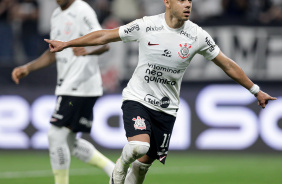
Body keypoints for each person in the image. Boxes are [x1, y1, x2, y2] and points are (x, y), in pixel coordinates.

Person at [44, 0, 277, 183]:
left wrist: (255, 90)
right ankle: (119, 168)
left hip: (166, 109)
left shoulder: (197, 35)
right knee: (138, 146)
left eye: (190, 1)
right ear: (167, 2)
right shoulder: (146, 25)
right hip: (137, 98)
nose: (188, 4)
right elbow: (105, 34)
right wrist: (68, 43)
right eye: (182, 0)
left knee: (143, 166)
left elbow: (227, 64)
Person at [11, 0, 115, 184]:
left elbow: (104, 42)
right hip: (68, 85)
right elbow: (54, 52)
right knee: (68, 143)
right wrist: (28, 67)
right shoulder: (56, 15)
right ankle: (115, 171)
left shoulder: (82, 9)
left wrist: (88, 50)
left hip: (81, 84)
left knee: (55, 135)